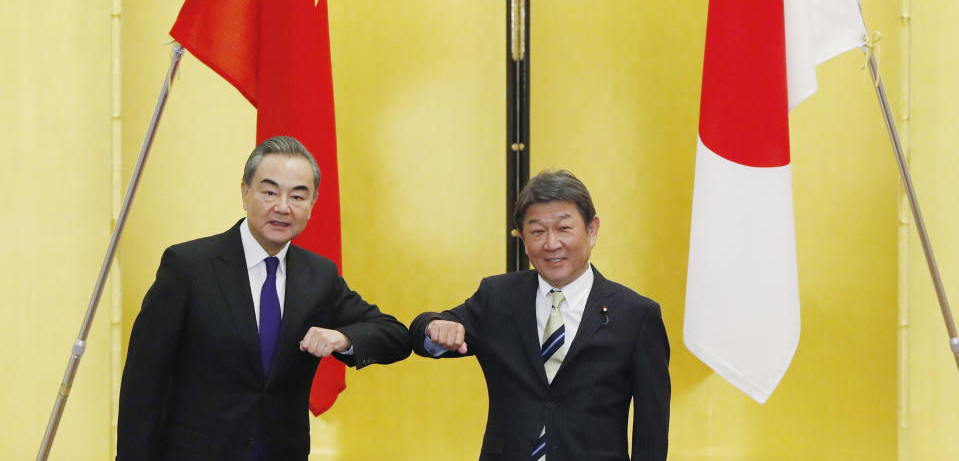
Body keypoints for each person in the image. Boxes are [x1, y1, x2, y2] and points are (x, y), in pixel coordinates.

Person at [117, 136, 410, 461]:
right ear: (245, 192)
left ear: (312, 204)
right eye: (270, 192)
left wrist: (342, 337)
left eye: (298, 196)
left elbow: (394, 335)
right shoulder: (189, 267)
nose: (283, 207)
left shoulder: (319, 276)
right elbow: (142, 386)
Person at [410, 169, 669, 461]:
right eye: (537, 231)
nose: (551, 244)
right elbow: (424, 336)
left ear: (592, 230)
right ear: (522, 238)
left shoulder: (636, 315)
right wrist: (432, 326)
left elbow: (652, 430)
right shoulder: (497, 298)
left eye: (563, 228)